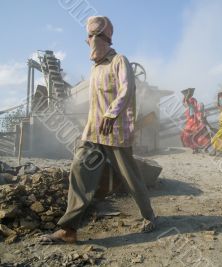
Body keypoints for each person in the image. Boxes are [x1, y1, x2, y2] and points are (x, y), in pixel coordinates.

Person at [39, 16, 156, 244]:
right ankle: (69, 229)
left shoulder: (119, 61)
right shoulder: (94, 69)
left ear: (103, 38)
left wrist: (112, 113)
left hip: (116, 132)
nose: (89, 42)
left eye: (92, 37)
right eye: (88, 38)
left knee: (130, 177)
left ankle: (149, 215)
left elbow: (127, 89)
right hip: (93, 131)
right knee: (79, 170)